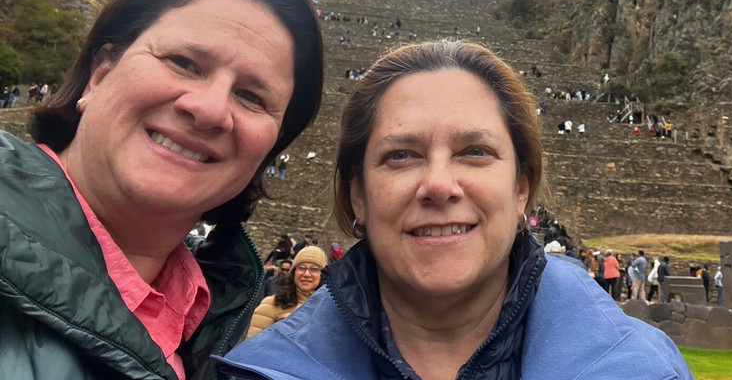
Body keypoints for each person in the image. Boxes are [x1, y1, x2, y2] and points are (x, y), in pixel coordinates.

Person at [220, 39, 691, 380]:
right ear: (357, 193)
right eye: (400, 155)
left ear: (521, 187)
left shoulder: (649, 368)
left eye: (475, 152)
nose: (439, 185)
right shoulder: (260, 371)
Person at [0, 0, 324, 380]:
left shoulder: (215, 325)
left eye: (252, 97)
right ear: (100, 74)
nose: (209, 109)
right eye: (183, 63)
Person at [245, 245, 327, 338]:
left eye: (314, 269)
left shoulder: (331, 308)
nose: (306, 274)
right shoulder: (270, 304)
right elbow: (254, 346)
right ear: (294, 272)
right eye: (302, 268)